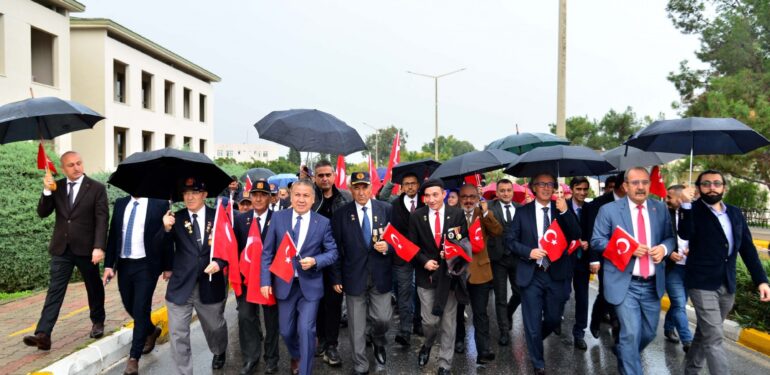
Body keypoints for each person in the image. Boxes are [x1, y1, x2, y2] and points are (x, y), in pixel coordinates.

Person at [679, 170, 770, 375]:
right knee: (714, 337)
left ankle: (690, 371)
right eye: (706, 184)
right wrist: (685, 205)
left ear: (724, 188)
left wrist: (761, 281)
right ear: (699, 188)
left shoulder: (735, 213)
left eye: (716, 183)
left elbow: (747, 248)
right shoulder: (692, 210)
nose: (712, 187)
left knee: (706, 332)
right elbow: (684, 233)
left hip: (727, 283)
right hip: (702, 283)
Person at [591, 166, 675, 375]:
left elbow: (670, 238)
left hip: (652, 284)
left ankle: (623, 352)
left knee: (647, 333)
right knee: (630, 333)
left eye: (644, 182)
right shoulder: (609, 210)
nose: (640, 187)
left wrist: (664, 249)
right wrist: (627, 249)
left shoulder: (660, 209)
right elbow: (597, 241)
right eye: (635, 183)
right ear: (625, 186)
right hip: (624, 283)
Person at [24, 151, 108, 351]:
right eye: (71, 165)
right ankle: (43, 334)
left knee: (93, 286)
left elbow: (102, 220)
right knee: (55, 290)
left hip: (87, 249)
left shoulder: (96, 188)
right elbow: (43, 213)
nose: (77, 167)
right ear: (63, 168)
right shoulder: (57, 187)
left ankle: (98, 322)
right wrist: (46, 191)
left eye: (79, 163)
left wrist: (99, 247)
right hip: (61, 249)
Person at [260, 179, 339, 375]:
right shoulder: (278, 218)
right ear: (290, 197)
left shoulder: (322, 223)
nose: (301, 199)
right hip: (284, 284)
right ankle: (297, 354)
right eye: (297, 195)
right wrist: (265, 281)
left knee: (306, 329)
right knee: (286, 331)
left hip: (310, 286)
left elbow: (332, 253)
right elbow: (267, 253)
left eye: (306, 196)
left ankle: (305, 370)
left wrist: (315, 260)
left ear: (313, 199)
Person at [506, 173, 581, 374]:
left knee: (553, 319)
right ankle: (538, 363)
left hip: (556, 272)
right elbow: (511, 241)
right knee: (531, 322)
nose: (547, 188)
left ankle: (536, 337)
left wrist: (565, 212)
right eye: (542, 184)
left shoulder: (562, 209)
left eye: (550, 184)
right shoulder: (523, 212)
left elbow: (576, 234)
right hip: (532, 273)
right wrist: (528, 252)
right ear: (533, 187)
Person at [156, 177, 229, 374]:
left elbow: (229, 246)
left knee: (215, 326)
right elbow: (161, 247)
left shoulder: (219, 217)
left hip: (210, 282)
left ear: (204, 195)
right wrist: (165, 228)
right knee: (178, 334)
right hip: (181, 285)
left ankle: (219, 350)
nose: (190, 197)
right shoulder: (175, 218)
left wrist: (220, 263)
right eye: (186, 193)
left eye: (195, 192)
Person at [331, 172, 393, 374]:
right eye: (356, 187)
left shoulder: (386, 209)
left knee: (382, 319)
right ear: (351, 189)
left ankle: (378, 340)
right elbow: (336, 249)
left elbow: (398, 240)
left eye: (364, 187)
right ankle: (360, 364)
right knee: (356, 326)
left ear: (371, 188)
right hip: (353, 276)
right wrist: (337, 277)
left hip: (380, 275)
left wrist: (388, 247)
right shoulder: (341, 215)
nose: (361, 192)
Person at [103, 195, 169, 375]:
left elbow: (167, 237)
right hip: (124, 263)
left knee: (140, 307)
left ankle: (134, 358)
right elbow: (114, 234)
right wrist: (109, 265)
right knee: (128, 303)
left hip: (147, 264)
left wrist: (168, 266)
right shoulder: (121, 203)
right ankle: (150, 329)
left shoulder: (160, 203)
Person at [409, 179, 468, 375]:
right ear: (424, 197)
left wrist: (451, 253)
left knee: (449, 322)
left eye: (436, 194)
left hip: (449, 276)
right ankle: (427, 344)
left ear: (444, 194)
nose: (432, 199)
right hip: (426, 277)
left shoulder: (457, 214)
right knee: (430, 322)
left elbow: (463, 242)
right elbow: (412, 246)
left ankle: (444, 364)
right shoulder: (417, 216)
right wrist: (424, 260)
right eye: (428, 195)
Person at [233, 179, 280, 374]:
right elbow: (235, 249)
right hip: (247, 279)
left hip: (270, 279)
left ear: (270, 198)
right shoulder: (241, 220)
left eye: (263, 195)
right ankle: (251, 358)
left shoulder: (278, 219)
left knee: (271, 321)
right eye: (255, 195)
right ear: (250, 197)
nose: (258, 198)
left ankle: (271, 358)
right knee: (245, 317)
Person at [310, 160, 352, 366]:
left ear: (334, 175)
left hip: (338, 259)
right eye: (320, 175)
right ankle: (321, 340)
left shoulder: (346, 197)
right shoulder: (309, 198)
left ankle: (332, 344)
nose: (325, 178)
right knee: (316, 302)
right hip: (314, 259)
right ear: (314, 178)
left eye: (328, 174)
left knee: (334, 303)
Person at [458, 184, 502, 364]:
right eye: (464, 197)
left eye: (472, 197)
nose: (468, 200)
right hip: (457, 271)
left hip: (480, 271)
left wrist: (485, 213)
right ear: (460, 198)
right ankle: (459, 340)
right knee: (457, 311)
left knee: (480, 312)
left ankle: (483, 350)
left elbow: (497, 231)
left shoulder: (482, 214)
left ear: (477, 197)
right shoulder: (453, 214)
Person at [380, 173, 424, 345]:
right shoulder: (394, 205)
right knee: (404, 293)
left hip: (422, 256)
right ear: (402, 187)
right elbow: (390, 230)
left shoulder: (426, 201)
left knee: (421, 292)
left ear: (418, 185)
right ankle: (405, 330)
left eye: (413, 183)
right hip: (401, 256)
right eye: (407, 184)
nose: (410, 187)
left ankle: (419, 323)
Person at [584, 171, 626, 340]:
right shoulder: (599, 204)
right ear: (624, 185)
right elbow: (593, 233)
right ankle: (598, 320)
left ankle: (620, 328)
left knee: (623, 292)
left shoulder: (633, 204)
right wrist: (594, 258)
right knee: (606, 291)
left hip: (626, 257)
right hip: (604, 257)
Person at [486, 178, 522, 346]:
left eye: (509, 190)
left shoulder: (521, 209)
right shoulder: (489, 208)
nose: (506, 193)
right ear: (497, 192)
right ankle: (504, 331)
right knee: (500, 296)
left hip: (517, 257)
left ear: (512, 192)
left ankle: (508, 312)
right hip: (498, 258)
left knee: (519, 293)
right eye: (502, 190)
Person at [663, 184, 693, 353]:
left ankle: (668, 327)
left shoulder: (694, 214)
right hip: (673, 268)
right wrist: (669, 253)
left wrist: (694, 248)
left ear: (680, 198)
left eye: (669, 197)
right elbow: (656, 237)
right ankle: (687, 340)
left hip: (690, 268)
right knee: (680, 303)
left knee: (678, 303)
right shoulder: (664, 215)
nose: (666, 200)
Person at [566, 176, 593, 350]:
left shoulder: (591, 209)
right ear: (572, 189)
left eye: (585, 189)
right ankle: (553, 319)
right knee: (562, 294)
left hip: (583, 260)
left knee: (582, 297)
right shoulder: (562, 206)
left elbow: (596, 231)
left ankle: (579, 332)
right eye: (579, 189)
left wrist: (588, 242)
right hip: (564, 259)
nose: (582, 192)